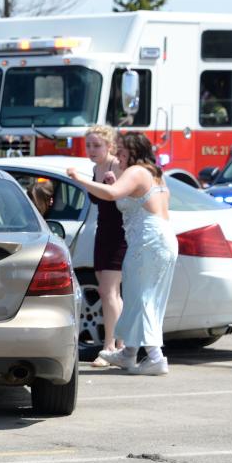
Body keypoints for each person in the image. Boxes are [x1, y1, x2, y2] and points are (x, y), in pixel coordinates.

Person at [68, 132, 178, 376]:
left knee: (141, 298)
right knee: (140, 296)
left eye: (121, 153)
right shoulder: (154, 174)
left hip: (147, 241)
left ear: (134, 153)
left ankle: (155, 357)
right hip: (161, 239)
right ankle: (128, 353)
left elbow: (111, 195)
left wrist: (79, 179)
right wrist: (111, 181)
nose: (118, 157)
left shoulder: (137, 171)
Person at [79, 126, 127, 365]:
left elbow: (126, 196)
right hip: (103, 232)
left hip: (119, 233)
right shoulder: (96, 168)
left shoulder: (115, 166)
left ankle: (110, 346)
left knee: (108, 292)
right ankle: (120, 345)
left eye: (96, 145)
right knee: (110, 292)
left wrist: (113, 183)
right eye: (88, 145)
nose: (91, 150)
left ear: (109, 146)